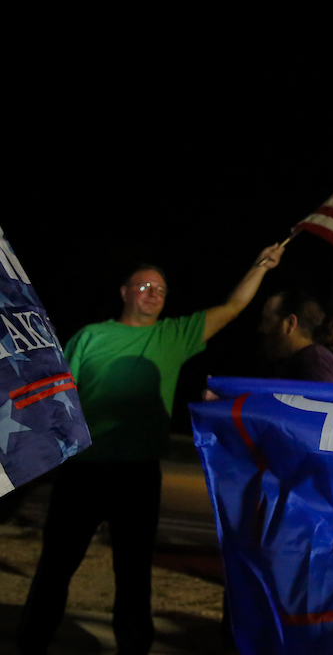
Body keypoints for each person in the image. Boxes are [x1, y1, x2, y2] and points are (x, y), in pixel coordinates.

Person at [17, 244, 285, 655]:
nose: (153, 293)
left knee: (133, 574)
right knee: (55, 568)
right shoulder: (91, 335)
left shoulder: (173, 336)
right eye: (144, 285)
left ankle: (133, 647)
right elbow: (56, 398)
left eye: (160, 289)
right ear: (125, 292)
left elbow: (233, 307)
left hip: (137, 476)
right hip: (83, 472)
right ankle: (30, 644)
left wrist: (260, 266)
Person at [259, 289, 333, 383]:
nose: (261, 328)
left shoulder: (315, 361)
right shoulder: (305, 360)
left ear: (290, 323)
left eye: (268, 320)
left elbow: (323, 397)